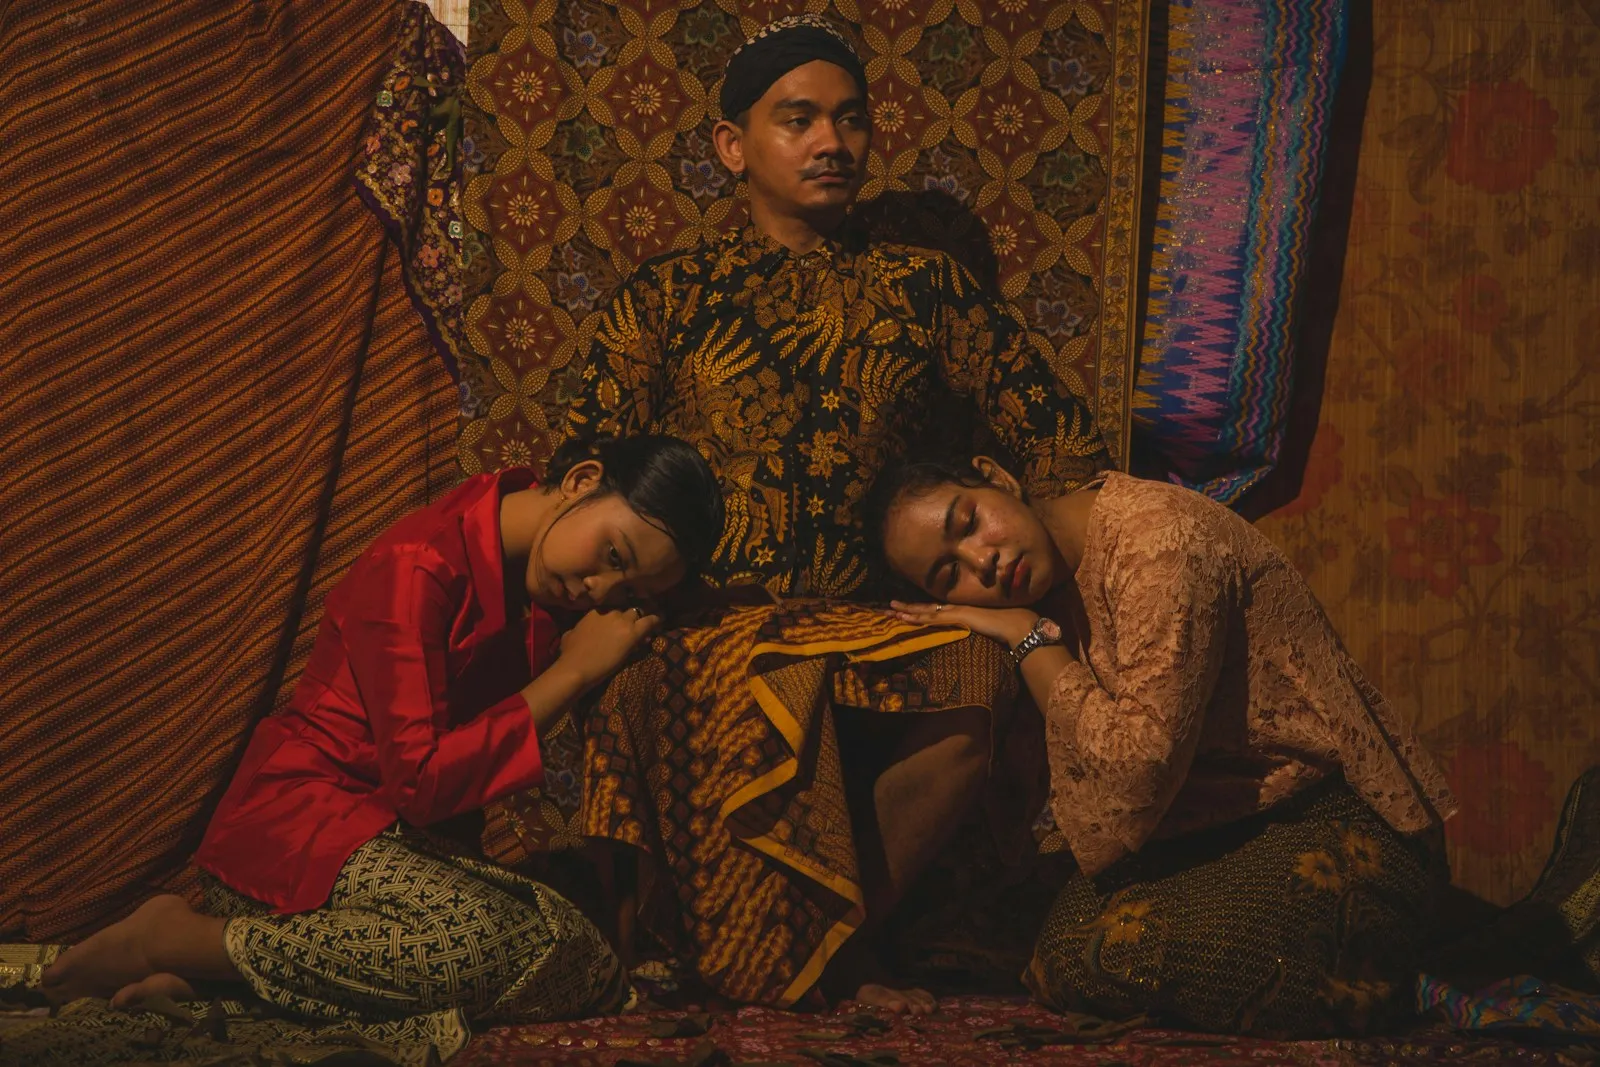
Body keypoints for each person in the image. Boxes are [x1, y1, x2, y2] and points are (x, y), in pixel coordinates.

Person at [553, 14, 1109, 1013]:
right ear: (733, 147)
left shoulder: (924, 287)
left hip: (871, 619)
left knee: (973, 674)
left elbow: (1060, 440)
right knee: (780, 671)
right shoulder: (668, 298)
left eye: (849, 120)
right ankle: (826, 972)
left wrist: (1055, 574)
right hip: (704, 620)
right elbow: (580, 468)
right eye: (797, 119)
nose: (831, 143)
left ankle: (825, 947)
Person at [41, 435, 724, 1043]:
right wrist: (574, 670)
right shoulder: (419, 563)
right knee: (496, 942)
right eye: (612, 554)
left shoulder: (548, 584)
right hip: (299, 831)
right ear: (581, 480)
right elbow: (422, 784)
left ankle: (226, 984)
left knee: (585, 962)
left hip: (403, 864)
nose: (598, 588)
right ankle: (185, 938)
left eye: (626, 589)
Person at [867, 455, 1458, 1036]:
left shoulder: (1158, 541)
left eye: (968, 522)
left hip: (1335, 821)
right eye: (951, 576)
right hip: (1216, 834)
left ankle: (1397, 967)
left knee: (1090, 957)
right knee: (981, 939)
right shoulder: (1053, 581)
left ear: (996, 478)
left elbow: (1134, 776)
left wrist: (1029, 641)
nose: (983, 562)